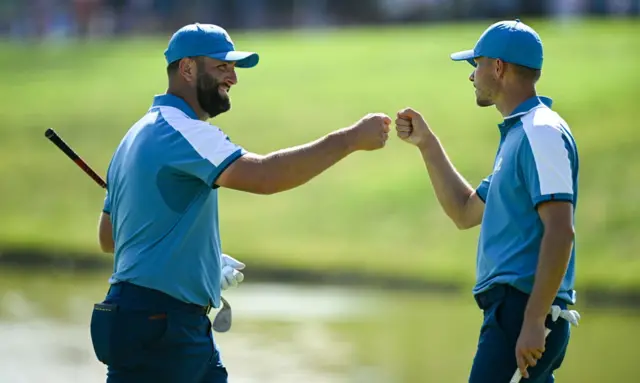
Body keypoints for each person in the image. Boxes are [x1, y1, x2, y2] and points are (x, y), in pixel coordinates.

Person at [91, 23, 391, 383]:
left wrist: (196, 263)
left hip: (161, 320)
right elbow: (265, 175)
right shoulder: (183, 131)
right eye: (222, 66)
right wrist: (350, 139)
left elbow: (110, 236)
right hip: (160, 323)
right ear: (187, 69)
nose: (232, 77)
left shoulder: (135, 134)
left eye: (233, 68)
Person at [394, 20, 579, 382]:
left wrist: (533, 319)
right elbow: (465, 211)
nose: (471, 76)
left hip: (523, 312)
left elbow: (561, 231)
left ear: (498, 67)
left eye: (475, 64)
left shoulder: (540, 132)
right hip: (517, 312)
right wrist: (427, 144)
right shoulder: (519, 135)